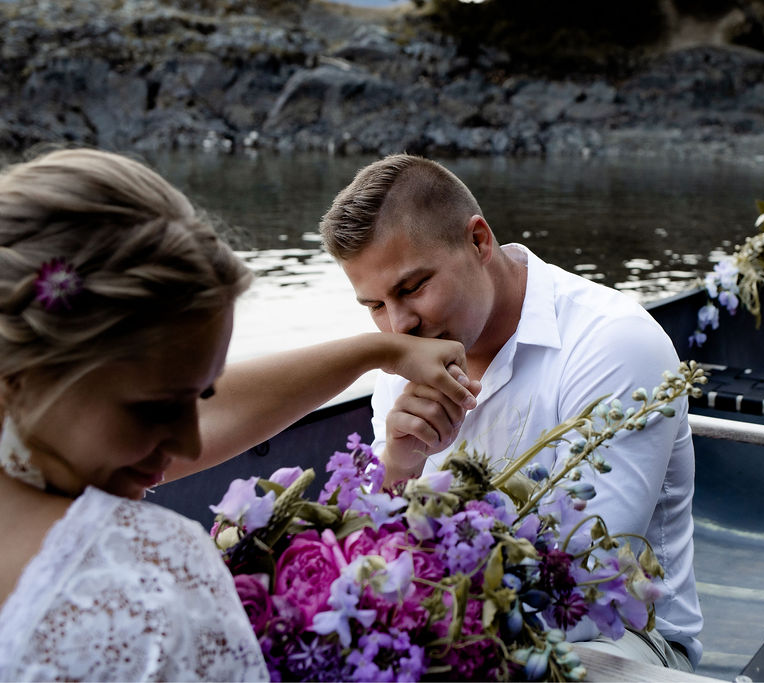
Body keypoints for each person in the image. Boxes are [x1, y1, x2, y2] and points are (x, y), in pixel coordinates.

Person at [0, 148, 476, 681]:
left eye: (200, 397)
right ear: (23, 376)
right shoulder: (152, 576)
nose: (186, 444)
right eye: (155, 408)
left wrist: (378, 351)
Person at [319, 154, 703, 671]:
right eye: (375, 305)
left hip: (622, 643)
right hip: (450, 622)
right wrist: (399, 466)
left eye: (411, 288)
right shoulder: (403, 360)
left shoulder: (612, 342)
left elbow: (576, 575)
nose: (398, 325)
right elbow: (371, 552)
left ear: (478, 241)